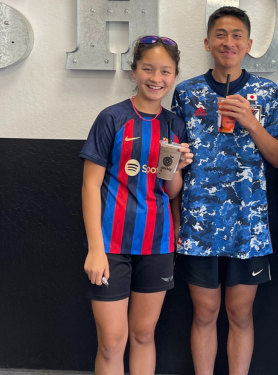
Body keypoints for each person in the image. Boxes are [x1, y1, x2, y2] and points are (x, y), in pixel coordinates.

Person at [171, 6, 278, 375]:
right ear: (208, 42)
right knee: (204, 313)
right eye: (220, 34)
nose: (229, 42)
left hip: (248, 224)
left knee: (241, 313)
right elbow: (173, 158)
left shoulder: (266, 92)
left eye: (237, 35)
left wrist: (252, 124)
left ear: (249, 44)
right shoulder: (186, 92)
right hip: (198, 223)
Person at [80, 36, 193, 375]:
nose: (156, 78)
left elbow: (171, 191)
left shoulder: (174, 124)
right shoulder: (111, 118)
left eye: (165, 71)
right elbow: (89, 185)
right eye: (148, 69)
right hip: (110, 246)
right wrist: (95, 250)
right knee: (113, 341)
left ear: (174, 76)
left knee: (144, 335)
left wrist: (177, 167)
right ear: (134, 71)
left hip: (157, 244)